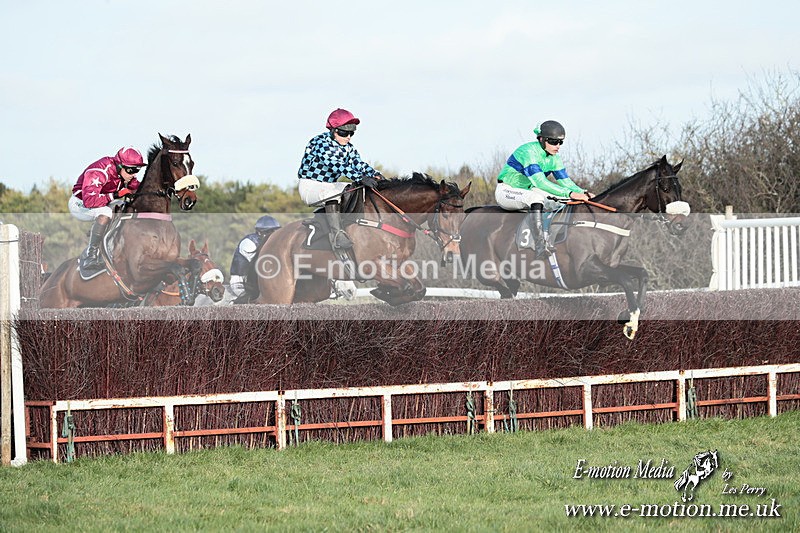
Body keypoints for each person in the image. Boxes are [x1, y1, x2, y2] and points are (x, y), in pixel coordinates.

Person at [495, 120, 594, 257]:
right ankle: (540, 244)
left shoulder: (554, 157)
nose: (558, 146)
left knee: (562, 201)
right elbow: (540, 182)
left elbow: (566, 182)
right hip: (507, 190)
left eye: (561, 142)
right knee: (536, 198)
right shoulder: (528, 152)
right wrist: (571, 193)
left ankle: (555, 238)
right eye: (553, 142)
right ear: (541, 139)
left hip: (528, 189)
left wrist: (583, 192)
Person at [297, 108, 383, 250]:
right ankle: (337, 235)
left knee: (357, 189)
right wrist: (360, 177)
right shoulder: (320, 143)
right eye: (344, 132)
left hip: (330, 185)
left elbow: (359, 164)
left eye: (352, 133)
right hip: (310, 187)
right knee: (333, 193)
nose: (348, 136)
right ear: (333, 130)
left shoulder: (349, 148)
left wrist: (376, 175)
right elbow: (337, 165)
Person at [68, 146, 146, 278]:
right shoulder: (99, 172)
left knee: (126, 206)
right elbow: (90, 201)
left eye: (137, 170)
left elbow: (140, 189)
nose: (134, 174)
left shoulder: (125, 173)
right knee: (106, 212)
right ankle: (90, 255)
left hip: (101, 202)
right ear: (120, 166)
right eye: (131, 170)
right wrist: (116, 194)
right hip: (80, 204)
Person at [228, 214, 282, 300]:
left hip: (258, 280)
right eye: (270, 232)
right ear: (260, 232)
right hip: (241, 281)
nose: (273, 235)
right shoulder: (249, 242)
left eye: (275, 231)